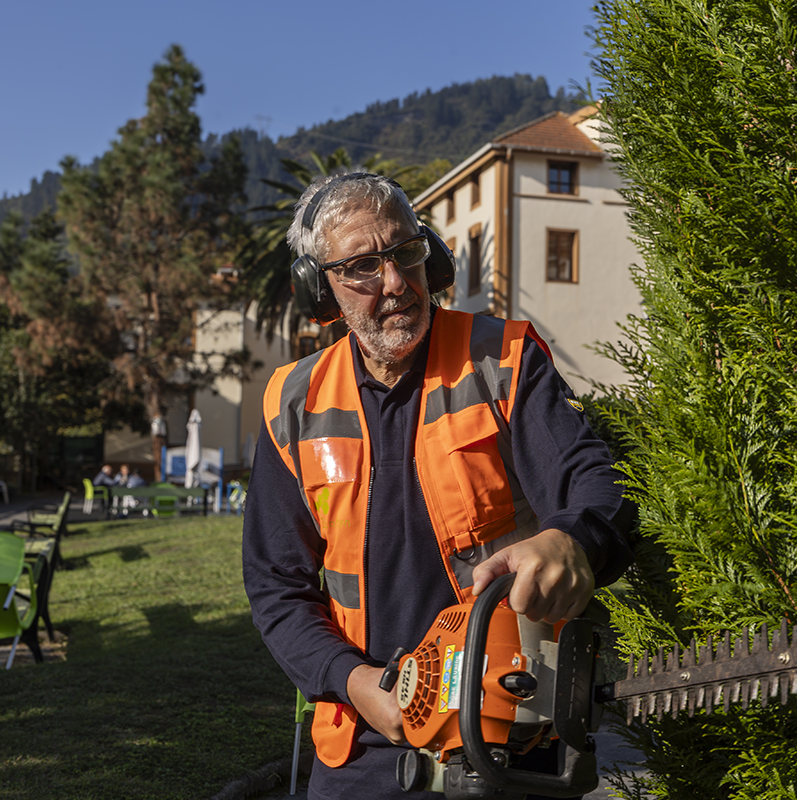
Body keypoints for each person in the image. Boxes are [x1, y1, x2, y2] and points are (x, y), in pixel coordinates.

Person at [242, 173, 634, 800]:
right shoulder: (290, 404)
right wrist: (352, 682)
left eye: (404, 252)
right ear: (322, 289)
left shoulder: (503, 360)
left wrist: (572, 540)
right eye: (363, 266)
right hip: (362, 741)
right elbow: (275, 586)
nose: (394, 282)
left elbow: (594, 483)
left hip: (509, 725)